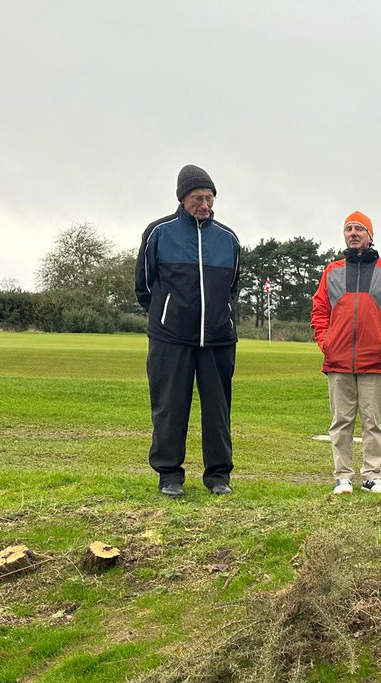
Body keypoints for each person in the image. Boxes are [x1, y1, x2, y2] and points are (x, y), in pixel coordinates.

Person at [134, 164, 241, 499]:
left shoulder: (228, 239)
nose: (205, 205)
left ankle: (218, 476)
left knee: (218, 411)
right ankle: (169, 476)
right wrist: (167, 315)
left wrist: (219, 318)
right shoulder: (158, 233)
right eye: (198, 198)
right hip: (170, 339)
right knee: (169, 408)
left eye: (210, 198)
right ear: (182, 199)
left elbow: (232, 287)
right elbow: (144, 287)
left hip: (218, 340)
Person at [309, 211, 381, 495]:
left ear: (370, 235)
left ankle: (372, 475)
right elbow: (319, 310)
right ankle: (342, 476)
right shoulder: (332, 270)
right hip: (338, 360)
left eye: (359, 229)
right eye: (348, 229)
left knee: (372, 423)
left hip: (375, 361)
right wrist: (326, 341)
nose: (353, 233)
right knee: (341, 422)